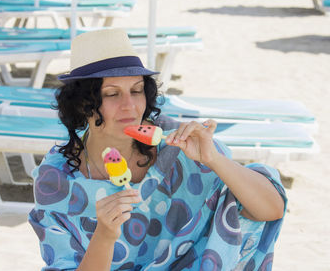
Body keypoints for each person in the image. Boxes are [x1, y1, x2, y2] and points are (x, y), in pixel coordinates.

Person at [28, 28, 286, 271]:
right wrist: (105, 235)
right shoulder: (56, 181)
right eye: (112, 94)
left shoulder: (178, 148)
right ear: (84, 104)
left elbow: (269, 211)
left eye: (137, 90)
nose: (129, 105)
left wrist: (214, 159)